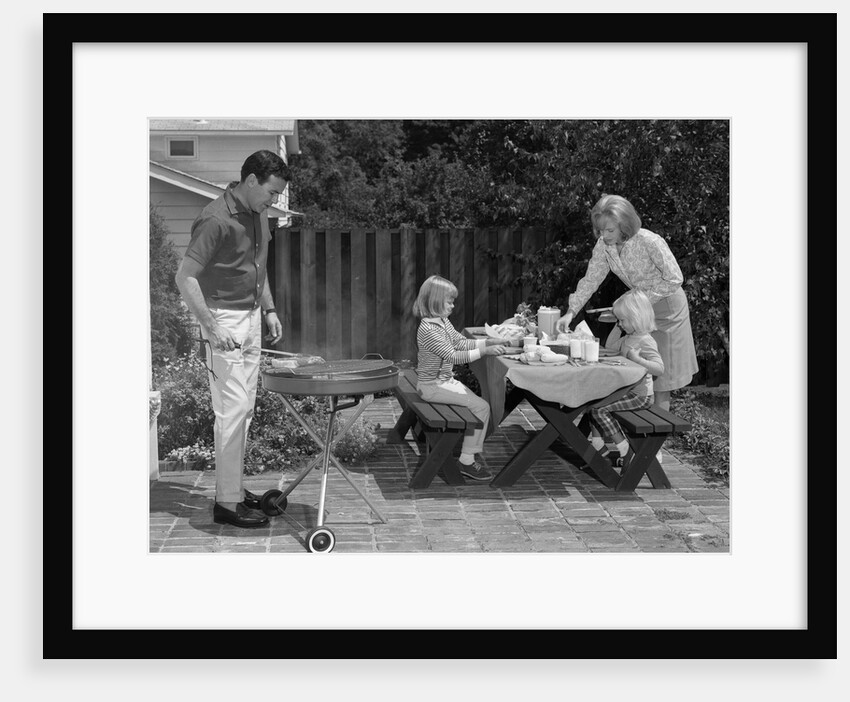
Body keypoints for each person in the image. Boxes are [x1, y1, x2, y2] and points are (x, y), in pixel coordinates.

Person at [175, 150, 290, 528]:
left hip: (252, 317)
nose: (274, 201)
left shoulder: (257, 215)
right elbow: (185, 277)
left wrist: (269, 308)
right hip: (222, 320)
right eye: (271, 193)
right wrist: (212, 325)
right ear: (252, 180)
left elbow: (258, 265)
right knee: (232, 409)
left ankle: (235, 491)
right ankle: (226, 504)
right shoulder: (215, 219)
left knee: (245, 409)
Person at [556, 194, 698, 412]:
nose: (604, 235)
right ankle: (632, 437)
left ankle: (654, 443)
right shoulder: (604, 245)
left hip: (667, 308)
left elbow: (674, 278)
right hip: (638, 309)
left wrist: (639, 303)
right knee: (636, 372)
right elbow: (591, 278)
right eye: (600, 230)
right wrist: (571, 311)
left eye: (609, 230)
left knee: (661, 378)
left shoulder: (649, 241)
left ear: (626, 224)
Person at [413, 275, 507, 482]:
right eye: (450, 301)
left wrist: (488, 342)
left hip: (443, 382)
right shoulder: (429, 330)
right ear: (435, 301)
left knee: (478, 405)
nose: (453, 306)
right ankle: (466, 460)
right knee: (482, 407)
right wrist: (485, 351)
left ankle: (468, 452)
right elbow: (454, 355)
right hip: (432, 386)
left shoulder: (442, 322)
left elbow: (461, 342)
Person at [588, 290, 665, 469]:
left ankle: (625, 450)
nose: (621, 324)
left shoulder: (646, 341)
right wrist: (616, 324)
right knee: (591, 401)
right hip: (625, 391)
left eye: (623, 320)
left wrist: (638, 360)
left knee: (599, 410)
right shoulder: (629, 337)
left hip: (640, 396)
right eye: (619, 320)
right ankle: (599, 448)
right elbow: (610, 347)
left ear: (636, 318)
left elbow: (659, 368)